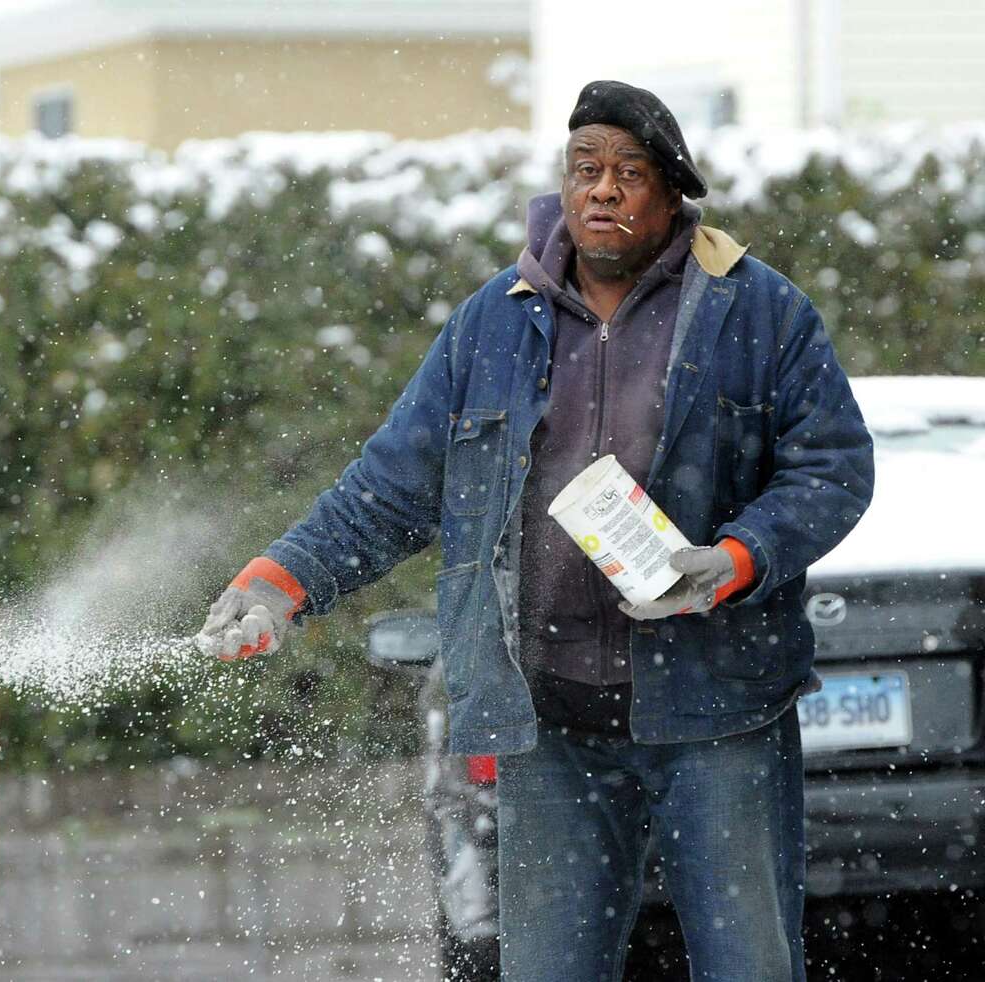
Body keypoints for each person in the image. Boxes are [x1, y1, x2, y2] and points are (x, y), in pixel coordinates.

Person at [200, 80, 874, 981]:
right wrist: (278, 584)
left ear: (672, 193)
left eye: (628, 173)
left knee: (749, 965)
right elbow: (394, 485)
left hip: (719, 714)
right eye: (585, 169)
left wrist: (737, 556)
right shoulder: (494, 321)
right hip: (548, 720)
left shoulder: (757, 311)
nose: (601, 190)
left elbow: (832, 467)